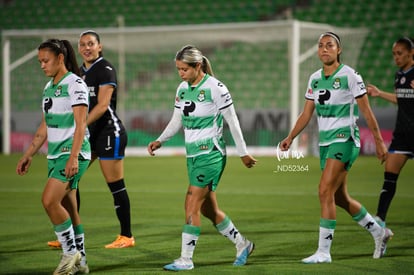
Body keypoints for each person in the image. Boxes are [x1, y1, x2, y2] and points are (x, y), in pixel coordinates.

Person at [279, 32, 393, 264]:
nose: (324, 49)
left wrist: (380, 142)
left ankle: (324, 252)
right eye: (320, 46)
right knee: (340, 197)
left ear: (338, 50)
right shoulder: (314, 78)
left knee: (324, 190)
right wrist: (291, 136)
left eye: (329, 45)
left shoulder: (350, 76)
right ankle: (379, 233)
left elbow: (367, 111)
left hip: (345, 139)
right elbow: (307, 113)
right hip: (325, 143)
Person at [147, 45, 257, 271]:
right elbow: (176, 119)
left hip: (211, 154)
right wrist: (161, 139)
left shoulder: (216, 88)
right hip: (194, 155)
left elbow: (233, 121)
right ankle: (242, 244)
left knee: (191, 202)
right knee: (209, 210)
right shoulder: (182, 88)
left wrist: (243, 152)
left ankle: (186, 259)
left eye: (184, 69)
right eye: (178, 69)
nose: (181, 74)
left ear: (198, 66)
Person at [47, 30, 135, 250]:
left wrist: (80, 124)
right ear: (78, 49)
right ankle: (68, 234)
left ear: (100, 46)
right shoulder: (77, 73)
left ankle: (127, 236)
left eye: (91, 44)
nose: (87, 48)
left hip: (108, 132)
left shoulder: (105, 70)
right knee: (70, 181)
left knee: (115, 185)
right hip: (88, 133)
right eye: (83, 45)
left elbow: (103, 105)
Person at [16, 39, 91, 274]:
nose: (42, 65)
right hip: (56, 154)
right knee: (69, 206)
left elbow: (81, 125)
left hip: (73, 153)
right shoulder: (48, 89)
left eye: (45, 60)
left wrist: (73, 158)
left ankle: (69, 255)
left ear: (60, 59)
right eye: (40, 61)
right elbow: (43, 128)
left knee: (49, 201)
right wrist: (28, 154)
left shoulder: (75, 84)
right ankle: (82, 262)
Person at [367, 36, 414, 228]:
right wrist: (379, 94)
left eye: (400, 53)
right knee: (389, 174)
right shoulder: (398, 75)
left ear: (411, 53)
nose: (396, 57)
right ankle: (380, 220)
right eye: (394, 54)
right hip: (402, 133)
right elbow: (401, 99)